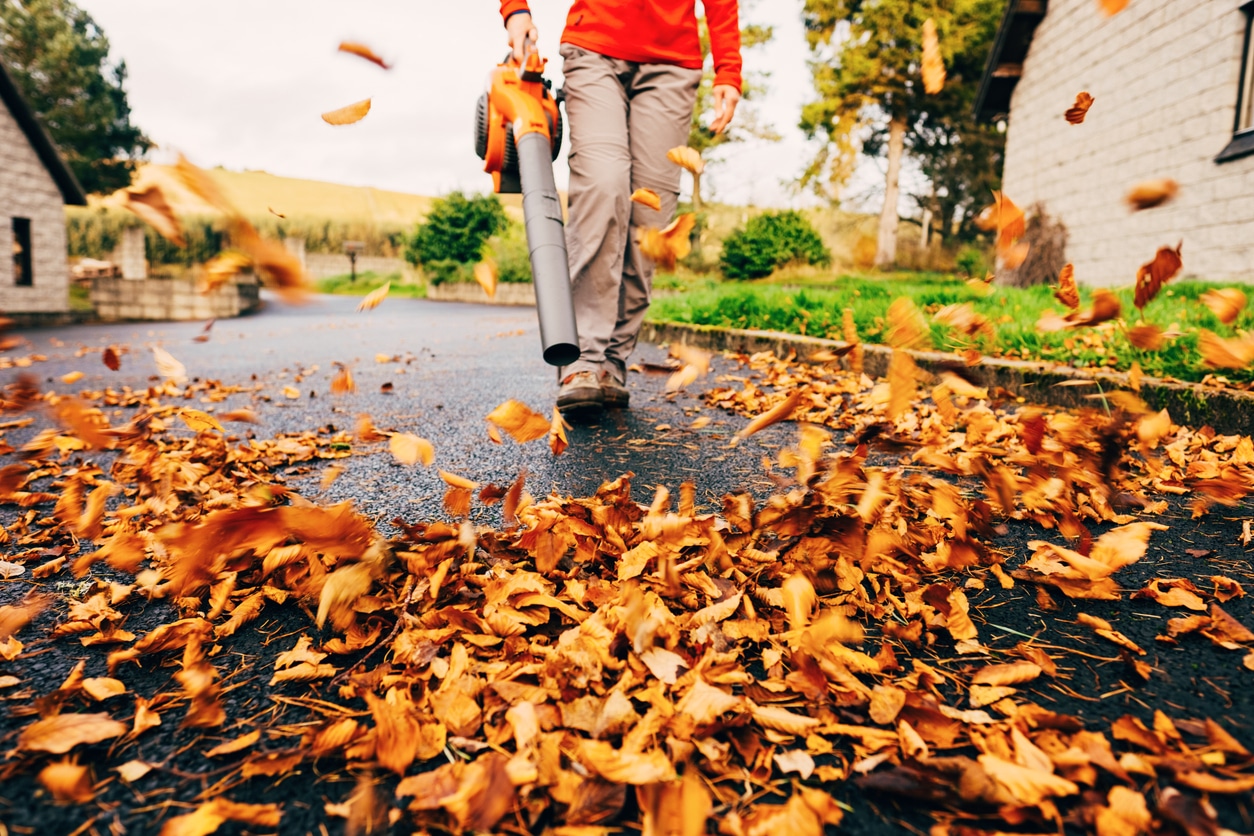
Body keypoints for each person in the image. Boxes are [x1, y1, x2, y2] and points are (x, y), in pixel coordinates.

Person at [499, 0, 743, 413]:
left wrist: (729, 67)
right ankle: (583, 360)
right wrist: (516, 9)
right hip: (594, 44)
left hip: (673, 62)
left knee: (651, 215)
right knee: (604, 185)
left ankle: (611, 360)